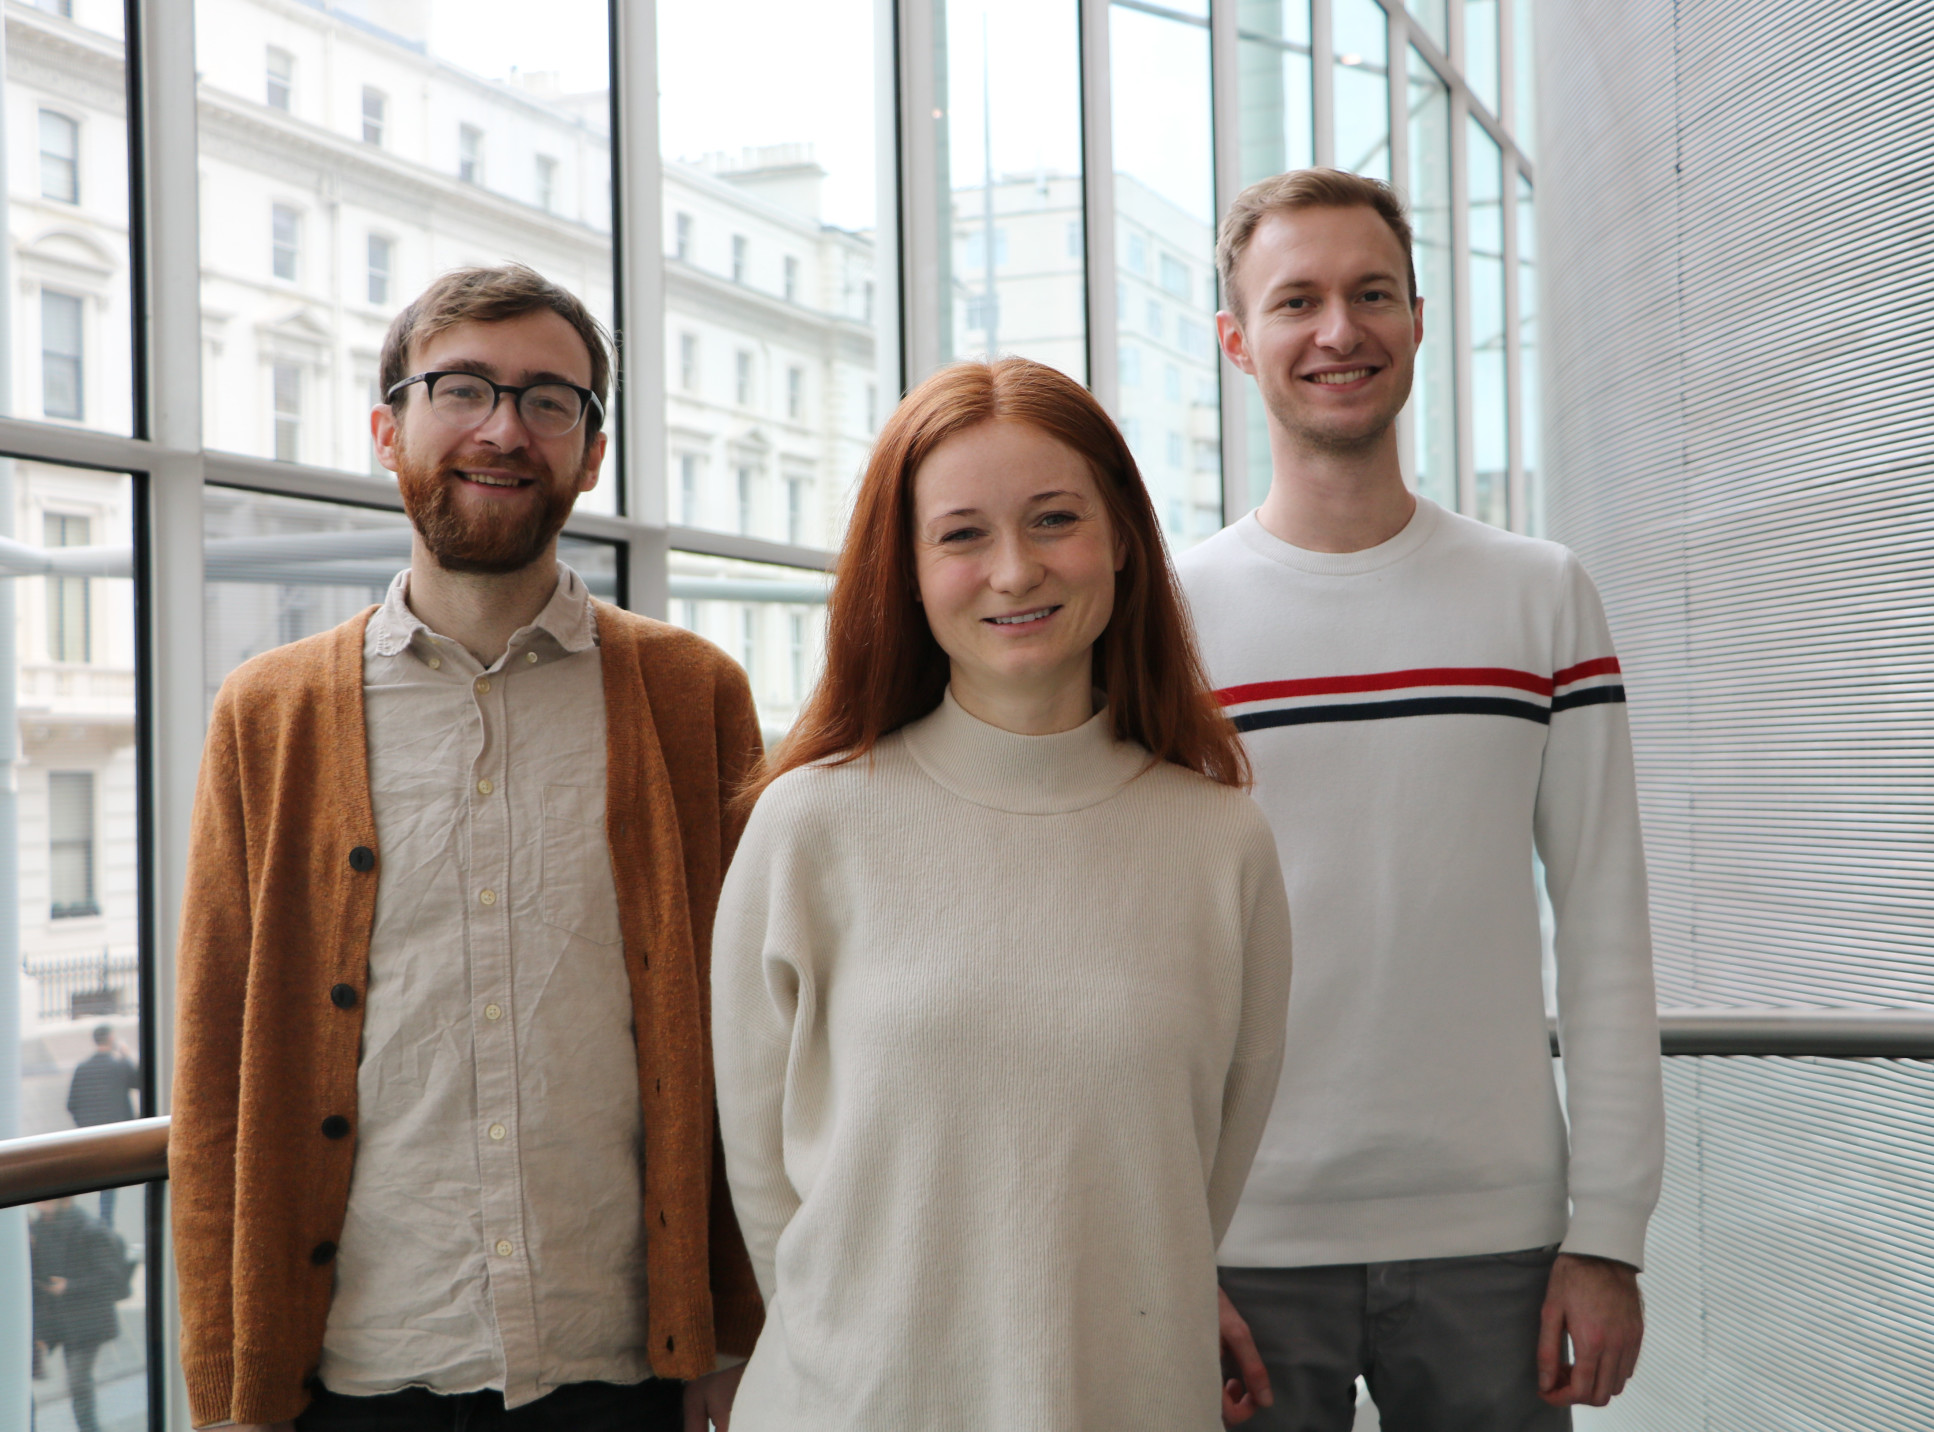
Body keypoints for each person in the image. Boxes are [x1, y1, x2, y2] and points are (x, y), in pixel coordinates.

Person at [170, 264, 763, 1432]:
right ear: (389, 428)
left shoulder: (692, 697)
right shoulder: (270, 713)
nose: (505, 428)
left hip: (629, 1367)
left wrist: (737, 1331)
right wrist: (228, 1379)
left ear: (592, 454)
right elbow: (216, 1070)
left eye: (551, 400)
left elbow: (751, 1041)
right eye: (463, 388)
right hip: (356, 1370)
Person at [711, 357, 1294, 1431]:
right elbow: (764, 1188)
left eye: (1053, 519)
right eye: (961, 533)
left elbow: (1196, 1181)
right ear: (906, 566)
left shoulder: (1220, 842)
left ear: (1119, 538)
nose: (1015, 570)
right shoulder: (808, 826)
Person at [1177, 168, 1665, 1429]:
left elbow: (1606, 923)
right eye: (1295, 301)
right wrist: (1159, 1247)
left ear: (1417, 319)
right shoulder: (1168, 625)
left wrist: (1607, 1232)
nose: (1338, 329)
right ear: (1236, 340)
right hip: (1237, 1240)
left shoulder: (1538, 595)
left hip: (1497, 1242)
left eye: (1370, 293)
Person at [31, 1196, 128, 1432]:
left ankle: (89, 1429)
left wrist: (70, 1286)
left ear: (65, 1198)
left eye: (46, 1199)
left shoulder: (89, 1229)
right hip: (60, 1322)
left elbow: (112, 1279)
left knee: (78, 1383)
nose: (39, 1203)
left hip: (87, 1322)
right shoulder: (36, 1230)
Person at [66, 1023, 140, 1224]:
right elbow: (140, 1082)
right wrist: (126, 1056)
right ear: (111, 1039)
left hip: (90, 1134)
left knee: (101, 1180)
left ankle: (102, 1222)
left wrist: (84, 1125)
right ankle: (105, 1223)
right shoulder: (120, 1065)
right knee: (108, 1183)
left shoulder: (82, 1068)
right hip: (116, 1133)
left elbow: (71, 1104)